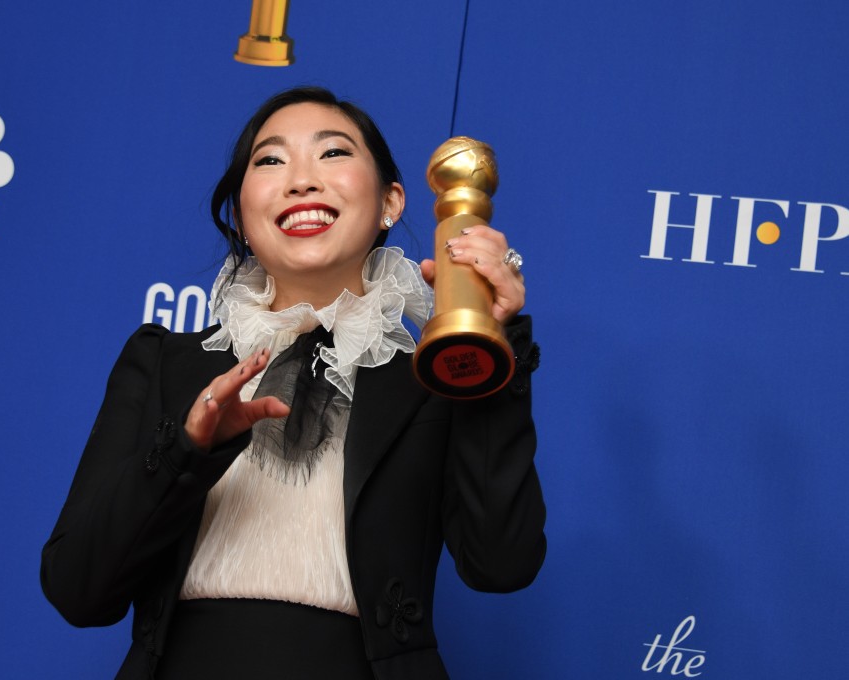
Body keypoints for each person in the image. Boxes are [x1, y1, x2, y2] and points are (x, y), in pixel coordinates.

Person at [41, 86, 545, 680]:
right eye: (271, 160)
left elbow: (501, 564)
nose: (301, 180)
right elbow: (78, 592)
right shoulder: (162, 364)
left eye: (333, 153)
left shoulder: (431, 377)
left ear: (391, 201)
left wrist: (493, 349)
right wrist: (186, 450)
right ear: (240, 215)